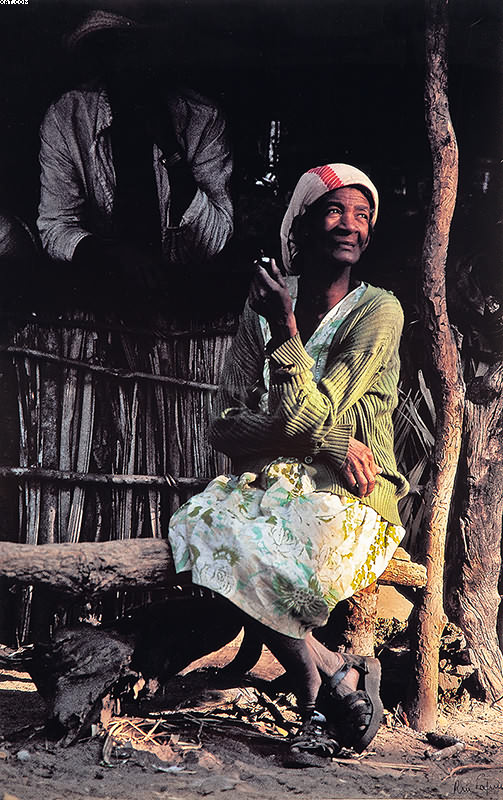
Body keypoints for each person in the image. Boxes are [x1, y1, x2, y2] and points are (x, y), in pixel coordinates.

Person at [168, 163, 408, 764]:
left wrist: (285, 333)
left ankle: (313, 701)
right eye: (333, 210)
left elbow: (302, 413)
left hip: (351, 498)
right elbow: (224, 425)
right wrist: (331, 440)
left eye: (362, 214)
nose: (349, 224)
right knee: (200, 522)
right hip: (266, 489)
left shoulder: (379, 312)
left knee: (252, 548)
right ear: (300, 225)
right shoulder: (262, 308)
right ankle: (332, 676)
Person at [37, 9, 233, 300]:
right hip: (101, 292)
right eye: (119, 50)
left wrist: (171, 148)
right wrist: (113, 255)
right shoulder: (68, 117)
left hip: (185, 294)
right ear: (102, 59)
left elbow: (215, 241)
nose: (133, 64)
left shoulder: (203, 119)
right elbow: (55, 227)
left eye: (143, 49)